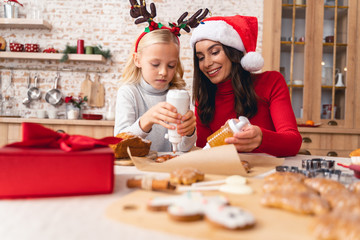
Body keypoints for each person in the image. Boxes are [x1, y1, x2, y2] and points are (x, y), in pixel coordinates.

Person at [190, 15, 302, 157]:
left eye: (214, 52)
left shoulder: (271, 82)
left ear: (233, 52)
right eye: (200, 57)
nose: (206, 63)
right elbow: (204, 151)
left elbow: (293, 143)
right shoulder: (204, 99)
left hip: (269, 174)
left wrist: (261, 138)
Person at [114, 20, 198, 152]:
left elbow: (183, 148)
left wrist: (189, 132)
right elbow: (119, 143)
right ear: (137, 60)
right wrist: (146, 120)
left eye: (171, 66)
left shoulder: (178, 95)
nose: (163, 72)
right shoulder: (129, 93)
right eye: (155, 64)